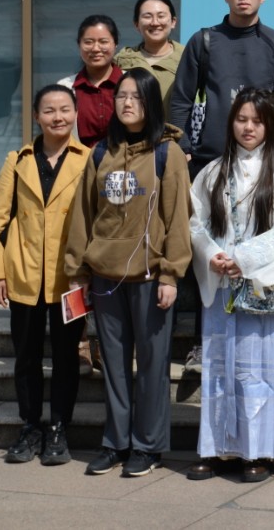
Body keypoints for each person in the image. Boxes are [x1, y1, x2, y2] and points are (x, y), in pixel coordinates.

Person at [63, 67, 191, 478]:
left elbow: (178, 218)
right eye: (121, 96)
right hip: (105, 276)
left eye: (136, 96)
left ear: (151, 102)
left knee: (153, 367)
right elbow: (83, 215)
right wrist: (78, 270)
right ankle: (115, 442)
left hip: (151, 277)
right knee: (114, 366)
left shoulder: (167, 153)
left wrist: (171, 274)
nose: (128, 103)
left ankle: (148, 446)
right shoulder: (100, 152)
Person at [187, 89, 274, 483]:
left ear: (270, 124)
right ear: (231, 123)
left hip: (262, 284)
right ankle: (219, 448)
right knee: (220, 368)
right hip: (223, 283)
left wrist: (242, 258)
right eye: (241, 119)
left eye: (257, 121)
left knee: (259, 370)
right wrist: (212, 255)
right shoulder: (212, 171)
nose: (248, 127)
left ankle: (259, 450)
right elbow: (194, 222)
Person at [0, 84, 93, 467]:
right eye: (49, 110)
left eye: (64, 109)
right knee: (26, 357)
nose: (57, 117)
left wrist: (90, 273)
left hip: (70, 277)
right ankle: (30, 426)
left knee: (66, 357)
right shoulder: (17, 160)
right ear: (36, 116)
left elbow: (96, 220)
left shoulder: (89, 160)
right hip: (24, 275)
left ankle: (59, 428)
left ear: (75, 114)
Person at [168, 0, 274, 172]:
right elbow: (181, 100)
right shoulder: (203, 41)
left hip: (260, 161)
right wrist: (183, 148)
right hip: (206, 159)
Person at [60, 14, 123, 147]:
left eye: (103, 42)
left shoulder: (132, 83)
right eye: (88, 42)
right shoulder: (64, 88)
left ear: (115, 44)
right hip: (80, 159)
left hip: (124, 159)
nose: (95, 48)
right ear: (79, 45)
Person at [115, 0, 184, 104]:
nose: (155, 22)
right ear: (136, 24)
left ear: (173, 22)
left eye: (161, 16)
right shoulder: (122, 60)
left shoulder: (187, 57)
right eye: (147, 16)